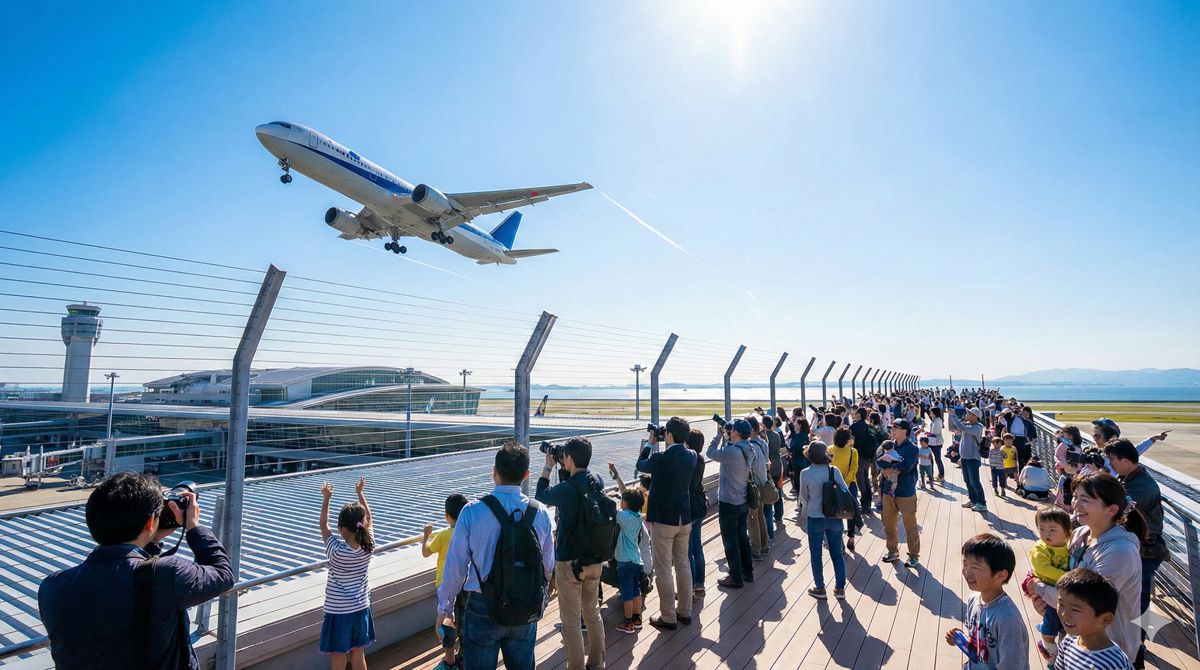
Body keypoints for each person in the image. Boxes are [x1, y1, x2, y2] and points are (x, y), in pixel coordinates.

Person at [38, 472, 234, 670]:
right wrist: (193, 527)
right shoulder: (167, 574)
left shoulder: (52, 586)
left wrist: (150, 539)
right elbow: (223, 574)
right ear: (151, 522)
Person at [437, 442, 555, 670]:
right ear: (526, 474)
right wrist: (540, 598)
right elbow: (548, 566)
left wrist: (445, 610)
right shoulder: (540, 512)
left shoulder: (472, 512)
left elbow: (455, 568)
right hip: (525, 605)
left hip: (483, 606)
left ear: (494, 472)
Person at [1027, 472, 1145, 661]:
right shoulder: (1080, 533)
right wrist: (1045, 601)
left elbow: (1083, 601)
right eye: (1075, 496)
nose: (1076, 504)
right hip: (1074, 636)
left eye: (1085, 499)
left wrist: (1040, 589)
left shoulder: (1120, 552)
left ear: (1112, 509)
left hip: (1106, 650)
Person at [535, 437, 609, 669]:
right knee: (592, 613)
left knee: (570, 621)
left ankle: (576, 666)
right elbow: (578, 489)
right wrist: (565, 466)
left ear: (569, 458)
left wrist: (548, 466)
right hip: (595, 558)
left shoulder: (565, 489)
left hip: (569, 562)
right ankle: (597, 664)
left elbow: (541, 495)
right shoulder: (597, 480)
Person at [1104, 437, 1167, 668]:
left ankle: (1135, 650)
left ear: (1125, 460)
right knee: (1133, 600)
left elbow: (1118, 507)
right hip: (1139, 548)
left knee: (1136, 602)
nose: (1110, 464)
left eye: (1112, 460)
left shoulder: (1142, 486)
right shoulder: (1129, 477)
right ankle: (1132, 645)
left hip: (1148, 551)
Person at [636, 416, 698, 631]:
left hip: (664, 519)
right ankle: (685, 611)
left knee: (663, 568)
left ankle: (668, 616)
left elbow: (640, 464)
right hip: (685, 517)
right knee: (683, 564)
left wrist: (651, 442)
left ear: (668, 435)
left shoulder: (661, 458)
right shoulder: (692, 455)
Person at [944, 533, 1030, 670]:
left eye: (975, 567)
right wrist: (961, 639)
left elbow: (1012, 665)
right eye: (965, 563)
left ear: (1000, 575)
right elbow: (980, 645)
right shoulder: (973, 600)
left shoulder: (1008, 619)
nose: (967, 572)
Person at [317, 477, 377, 668]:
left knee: (339, 660)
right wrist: (360, 493)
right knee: (358, 657)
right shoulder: (369, 546)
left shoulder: (335, 551)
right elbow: (370, 517)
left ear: (342, 529)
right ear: (363, 524)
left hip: (338, 612)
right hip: (360, 608)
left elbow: (323, 526)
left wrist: (326, 498)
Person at [1052, 569, 1136, 670]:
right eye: (1061, 604)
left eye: (1075, 609)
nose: (1064, 613)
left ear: (1105, 619)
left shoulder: (1113, 663)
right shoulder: (1068, 640)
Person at [707, 418, 757, 589]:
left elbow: (711, 453)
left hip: (729, 501)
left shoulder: (732, 452)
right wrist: (729, 439)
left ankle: (735, 576)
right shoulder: (749, 447)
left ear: (735, 433)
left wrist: (719, 435)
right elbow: (733, 449)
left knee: (730, 540)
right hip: (742, 499)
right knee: (743, 536)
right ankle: (747, 571)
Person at [423, 493, 470, 670]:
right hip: (466, 584)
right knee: (464, 623)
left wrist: (426, 535)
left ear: (447, 516)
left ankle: (450, 662)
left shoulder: (443, 534)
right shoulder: (469, 531)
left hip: (446, 585)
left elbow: (426, 552)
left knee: (447, 624)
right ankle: (464, 659)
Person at [799, 441, 849, 600]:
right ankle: (840, 589)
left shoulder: (805, 473)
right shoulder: (834, 471)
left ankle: (820, 588)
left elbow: (804, 497)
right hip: (834, 517)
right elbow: (845, 491)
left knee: (816, 555)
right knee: (837, 554)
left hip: (815, 517)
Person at [1022, 506, 1072, 664]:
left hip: (1060, 591)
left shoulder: (1067, 546)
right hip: (1048, 590)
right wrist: (1068, 577)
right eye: (1041, 529)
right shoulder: (1040, 549)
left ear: (1066, 532)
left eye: (1052, 530)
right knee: (1051, 620)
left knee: (1061, 621)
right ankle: (1049, 649)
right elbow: (1043, 569)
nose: (1046, 534)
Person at [881, 419, 920, 567]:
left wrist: (890, 468)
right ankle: (892, 551)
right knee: (889, 524)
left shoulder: (912, 448)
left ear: (904, 431)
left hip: (906, 491)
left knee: (910, 525)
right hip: (888, 491)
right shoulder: (887, 445)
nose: (892, 430)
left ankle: (914, 555)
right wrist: (890, 466)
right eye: (891, 427)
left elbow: (906, 467)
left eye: (895, 427)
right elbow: (879, 461)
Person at [614, 489, 647, 635]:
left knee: (626, 593)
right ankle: (637, 618)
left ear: (625, 503)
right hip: (636, 559)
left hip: (625, 560)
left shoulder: (623, 517)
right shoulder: (638, 517)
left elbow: (613, 513)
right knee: (636, 590)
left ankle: (628, 623)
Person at [829, 426, 863, 552]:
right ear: (848, 439)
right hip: (849, 485)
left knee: (834, 512)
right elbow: (854, 469)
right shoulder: (853, 451)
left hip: (833, 485)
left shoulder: (829, 450)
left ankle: (839, 541)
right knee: (851, 511)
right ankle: (851, 537)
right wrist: (846, 482)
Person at [950, 406, 988, 512]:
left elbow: (961, 428)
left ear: (975, 416)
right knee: (967, 480)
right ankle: (973, 500)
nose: (967, 414)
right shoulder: (969, 424)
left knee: (974, 481)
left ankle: (982, 503)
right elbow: (958, 427)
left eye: (969, 413)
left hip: (973, 458)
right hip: (965, 458)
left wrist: (953, 416)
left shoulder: (977, 427)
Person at [685, 429, 708, 599]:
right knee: (698, 547)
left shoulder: (689, 459)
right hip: (700, 506)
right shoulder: (700, 459)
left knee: (688, 550)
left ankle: (690, 587)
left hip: (690, 508)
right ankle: (700, 584)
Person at [746, 416, 771, 559]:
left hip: (754, 486)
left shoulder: (750, 447)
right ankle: (764, 544)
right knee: (761, 517)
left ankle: (755, 550)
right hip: (763, 483)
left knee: (752, 518)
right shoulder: (763, 443)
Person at [850, 407, 879, 509]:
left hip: (858, 456)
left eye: (855, 412)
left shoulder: (854, 426)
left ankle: (865, 504)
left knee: (860, 480)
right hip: (867, 456)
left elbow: (850, 441)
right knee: (866, 479)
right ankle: (868, 501)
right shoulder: (867, 426)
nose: (853, 413)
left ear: (858, 414)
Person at [762, 415, 786, 539]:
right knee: (778, 490)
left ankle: (770, 518)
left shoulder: (765, 437)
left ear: (764, 425)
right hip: (778, 464)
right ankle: (779, 515)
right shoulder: (776, 434)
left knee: (769, 492)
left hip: (770, 466)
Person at [927, 406, 946, 481]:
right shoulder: (937, 420)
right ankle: (937, 475)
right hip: (936, 442)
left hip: (935, 442)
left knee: (935, 459)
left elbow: (935, 432)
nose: (930, 414)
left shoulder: (937, 421)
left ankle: (937, 475)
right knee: (937, 459)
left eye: (931, 412)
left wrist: (929, 434)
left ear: (934, 413)